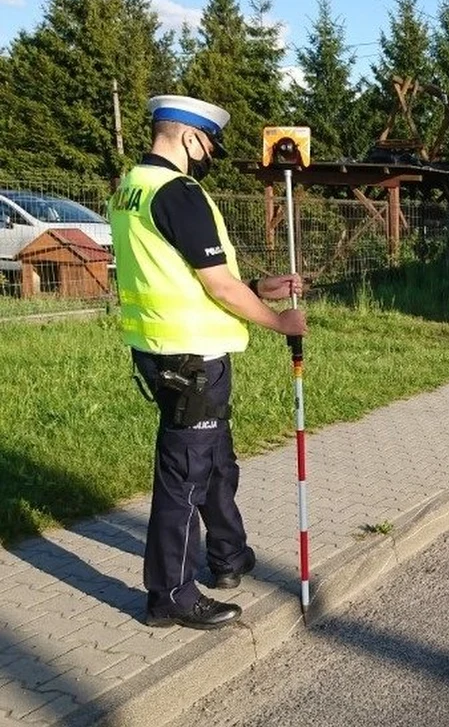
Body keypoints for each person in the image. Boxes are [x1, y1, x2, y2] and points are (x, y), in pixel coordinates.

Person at [109, 95, 307, 630]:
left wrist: (257, 287)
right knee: (184, 477)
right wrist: (277, 319)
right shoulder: (179, 192)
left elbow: (182, 279)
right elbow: (215, 284)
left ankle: (228, 555)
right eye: (207, 146)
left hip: (163, 349)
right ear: (190, 138)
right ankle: (168, 595)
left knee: (215, 458)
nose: (206, 157)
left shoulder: (131, 188)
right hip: (191, 355)